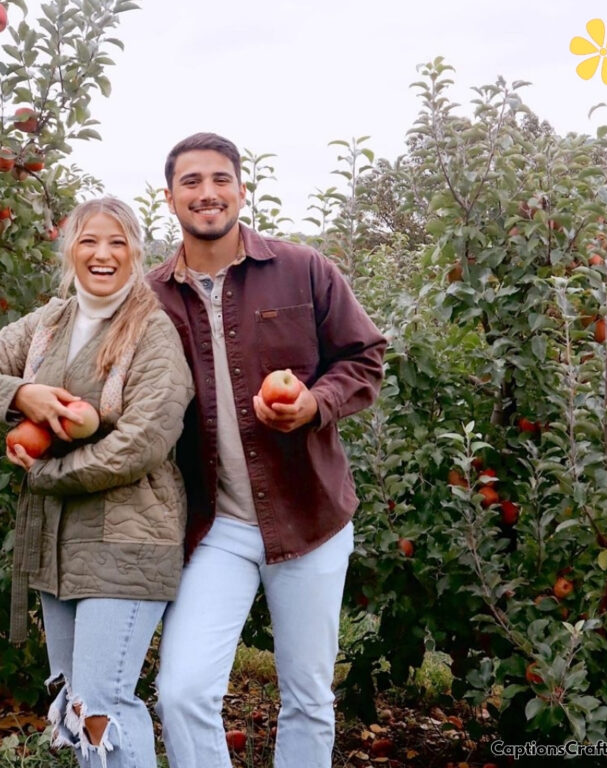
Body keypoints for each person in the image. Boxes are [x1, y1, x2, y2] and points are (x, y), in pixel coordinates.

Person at [148, 133, 387, 768]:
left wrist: (314, 403)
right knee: (182, 691)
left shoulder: (302, 269)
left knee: (308, 695)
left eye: (220, 179)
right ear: (169, 198)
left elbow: (364, 358)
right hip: (216, 525)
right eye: (192, 182)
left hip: (308, 514)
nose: (208, 193)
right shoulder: (149, 298)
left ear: (240, 190)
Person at [0, 197, 194, 768]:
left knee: (101, 705)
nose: (102, 254)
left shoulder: (152, 332)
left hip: (126, 542)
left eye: (116, 242)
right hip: (54, 544)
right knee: (73, 702)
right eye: (88, 241)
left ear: (136, 251)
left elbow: (143, 442)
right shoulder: (47, 324)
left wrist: (47, 472)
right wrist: (20, 394)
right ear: (70, 250)